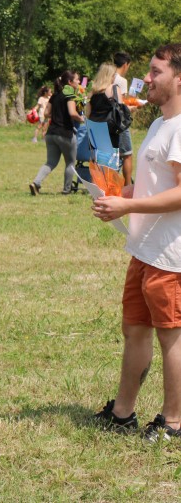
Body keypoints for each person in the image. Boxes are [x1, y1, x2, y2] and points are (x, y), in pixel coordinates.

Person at [92, 43, 181, 442]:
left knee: (171, 337)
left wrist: (127, 207)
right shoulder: (161, 123)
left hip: (171, 256)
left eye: (156, 71)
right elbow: (154, 184)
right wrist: (120, 194)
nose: (147, 78)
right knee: (135, 330)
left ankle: (174, 423)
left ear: (179, 79)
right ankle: (122, 413)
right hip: (144, 250)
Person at [29, 70, 86, 196]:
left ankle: (36, 183)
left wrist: (57, 115)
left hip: (51, 134)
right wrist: (82, 118)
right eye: (77, 79)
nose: (79, 81)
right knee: (70, 163)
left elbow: (46, 113)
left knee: (50, 162)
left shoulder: (55, 95)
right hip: (65, 133)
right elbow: (72, 113)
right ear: (70, 82)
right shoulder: (70, 95)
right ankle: (66, 190)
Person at [85, 62, 125, 151]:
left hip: (94, 128)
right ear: (110, 75)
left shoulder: (92, 90)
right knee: (110, 157)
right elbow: (120, 111)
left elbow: (88, 113)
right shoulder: (114, 88)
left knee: (95, 157)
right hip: (109, 129)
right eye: (114, 75)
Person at [113, 52, 136, 185]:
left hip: (107, 122)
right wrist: (134, 105)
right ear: (126, 64)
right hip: (120, 122)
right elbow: (122, 105)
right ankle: (127, 185)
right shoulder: (122, 81)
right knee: (127, 154)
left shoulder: (107, 77)